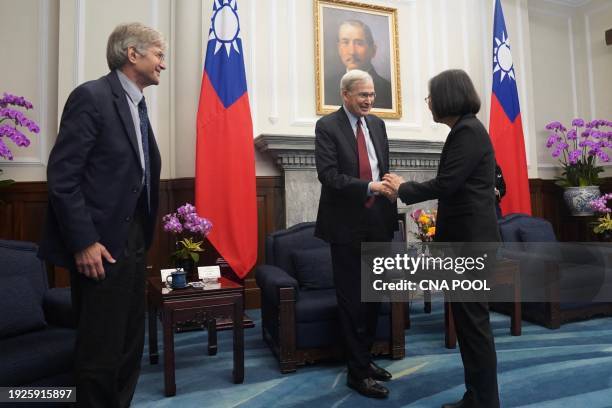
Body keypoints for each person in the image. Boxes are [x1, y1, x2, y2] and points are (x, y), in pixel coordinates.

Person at [38, 22, 165, 407]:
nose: (163, 63)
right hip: (99, 245)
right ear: (132, 54)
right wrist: (83, 242)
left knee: (130, 342)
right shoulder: (91, 97)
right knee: (100, 350)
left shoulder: (138, 107)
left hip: (134, 241)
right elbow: (63, 178)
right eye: (158, 54)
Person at [382, 69, 500, 408]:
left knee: (474, 329)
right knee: (467, 327)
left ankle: (485, 402)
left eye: (432, 96)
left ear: (448, 97)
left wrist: (403, 188)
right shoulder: (464, 130)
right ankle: (476, 397)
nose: (428, 102)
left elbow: (447, 184)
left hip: (471, 245)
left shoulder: (468, 131)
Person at [315, 69, 397, 399]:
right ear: (345, 95)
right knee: (352, 301)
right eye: (363, 95)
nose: (369, 100)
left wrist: (388, 183)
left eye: (372, 95)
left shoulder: (377, 124)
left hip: (379, 219)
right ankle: (356, 373)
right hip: (346, 225)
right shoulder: (327, 126)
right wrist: (368, 186)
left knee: (375, 295)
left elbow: (380, 166)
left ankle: (365, 360)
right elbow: (329, 175)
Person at [324, 19, 392, 109]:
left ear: (373, 50)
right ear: (339, 48)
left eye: (359, 43)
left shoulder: (387, 90)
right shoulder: (327, 86)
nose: (352, 51)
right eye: (345, 42)